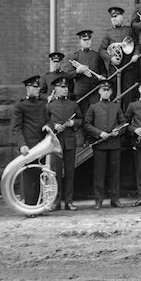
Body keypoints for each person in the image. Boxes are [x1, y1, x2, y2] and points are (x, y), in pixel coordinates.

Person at [84, 79, 127, 209]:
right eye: (104, 90)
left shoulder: (116, 107)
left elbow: (123, 124)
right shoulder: (93, 107)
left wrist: (117, 132)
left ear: (112, 92)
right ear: (99, 91)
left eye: (108, 90)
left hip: (114, 144)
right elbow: (86, 124)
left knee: (115, 173)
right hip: (100, 145)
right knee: (99, 173)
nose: (106, 93)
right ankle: (98, 200)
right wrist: (99, 133)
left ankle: (115, 199)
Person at [11, 75, 49, 216]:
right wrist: (22, 145)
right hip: (28, 147)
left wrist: (47, 125)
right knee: (29, 178)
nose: (37, 89)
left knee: (41, 177)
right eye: (34, 87)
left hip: (42, 145)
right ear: (28, 88)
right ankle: (29, 208)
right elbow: (16, 128)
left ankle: (40, 207)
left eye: (38, 87)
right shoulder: (20, 106)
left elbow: (49, 120)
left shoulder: (42, 104)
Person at [46, 75, 83, 211]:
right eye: (62, 88)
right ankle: (56, 201)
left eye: (66, 87)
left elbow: (81, 120)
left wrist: (73, 123)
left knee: (69, 172)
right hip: (55, 142)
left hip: (70, 142)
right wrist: (54, 126)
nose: (65, 90)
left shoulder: (73, 105)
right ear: (55, 89)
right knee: (55, 172)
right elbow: (45, 121)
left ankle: (69, 201)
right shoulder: (49, 105)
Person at [99, 6, 140, 110]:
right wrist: (110, 58)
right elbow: (102, 50)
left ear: (121, 17)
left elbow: (136, 44)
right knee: (114, 92)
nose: (113, 19)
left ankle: (127, 116)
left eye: (116, 16)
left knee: (129, 93)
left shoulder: (129, 30)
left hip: (129, 66)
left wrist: (136, 54)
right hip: (115, 68)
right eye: (112, 17)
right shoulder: (108, 33)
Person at [64, 29, 106, 117]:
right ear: (80, 41)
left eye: (89, 40)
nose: (87, 42)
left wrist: (103, 77)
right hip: (81, 93)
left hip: (94, 92)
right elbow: (68, 75)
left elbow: (103, 71)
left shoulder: (97, 55)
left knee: (95, 116)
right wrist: (77, 71)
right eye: (84, 40)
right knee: (81, 116)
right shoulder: (75, 56)